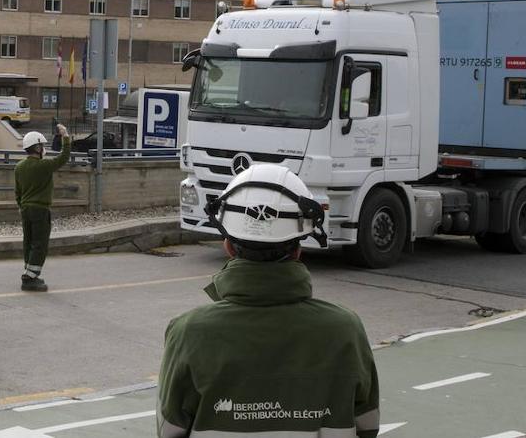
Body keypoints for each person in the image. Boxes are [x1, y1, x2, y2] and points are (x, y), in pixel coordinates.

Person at [157, 165, 381, 438]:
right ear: (299, 249)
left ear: (228, 245)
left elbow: (169, 431)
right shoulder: (347, 330)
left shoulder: (188, 333)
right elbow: (367, 426)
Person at [14, 123, 70, 291]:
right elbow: (64, 157)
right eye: (42, 146)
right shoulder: (44, 166)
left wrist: (21, 206)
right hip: (40, 209)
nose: (44, 149)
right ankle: (30, 278)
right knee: (40, 243)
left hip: (25, 209)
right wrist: (65, 136)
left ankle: (29, 270)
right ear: (37, 148)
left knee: (28, 241)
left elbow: (18, 192)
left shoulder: (19, 167)